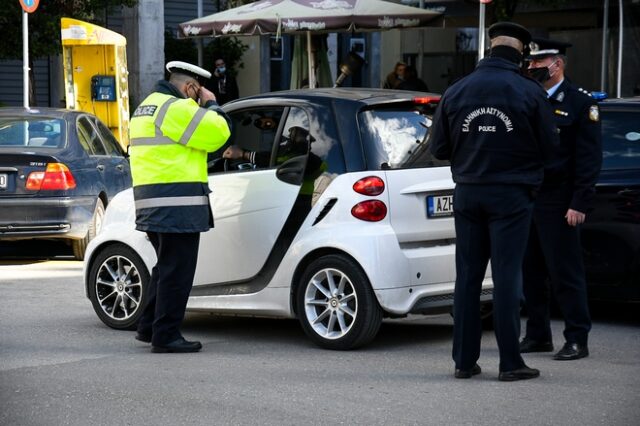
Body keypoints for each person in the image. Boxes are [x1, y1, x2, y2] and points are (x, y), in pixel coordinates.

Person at [429, 22, 560, 381]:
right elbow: (551, 148)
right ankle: (510, 363)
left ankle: (464, 362)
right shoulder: (529, 92)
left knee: (468, 278)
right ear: (521, 54)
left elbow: (438, 148)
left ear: (489, 49)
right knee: (506, 277)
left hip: (468, 192)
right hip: (511, 195)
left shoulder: (456, 90)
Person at [129, 61, 231, 353]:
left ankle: (149, 328)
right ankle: (166, 336)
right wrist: (212, 105)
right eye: (197, 94)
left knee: (166, 268)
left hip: (152, 201)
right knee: (178, 271)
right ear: (190, 88)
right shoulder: (175, 108)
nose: (198, 100)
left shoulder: (146, 107)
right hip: (177, 203)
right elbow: (219, 134)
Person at [520, 38, 602, 361]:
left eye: (538, 64)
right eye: (531, 64)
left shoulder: (581, 103)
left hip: (561, 200)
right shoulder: (529, 99)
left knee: (565, 272)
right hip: (530, 197)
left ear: (557, 65)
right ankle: (538, 334)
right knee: (532, 272)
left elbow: (588, 159)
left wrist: (580, 202)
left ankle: (577, 337)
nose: (532, 69)